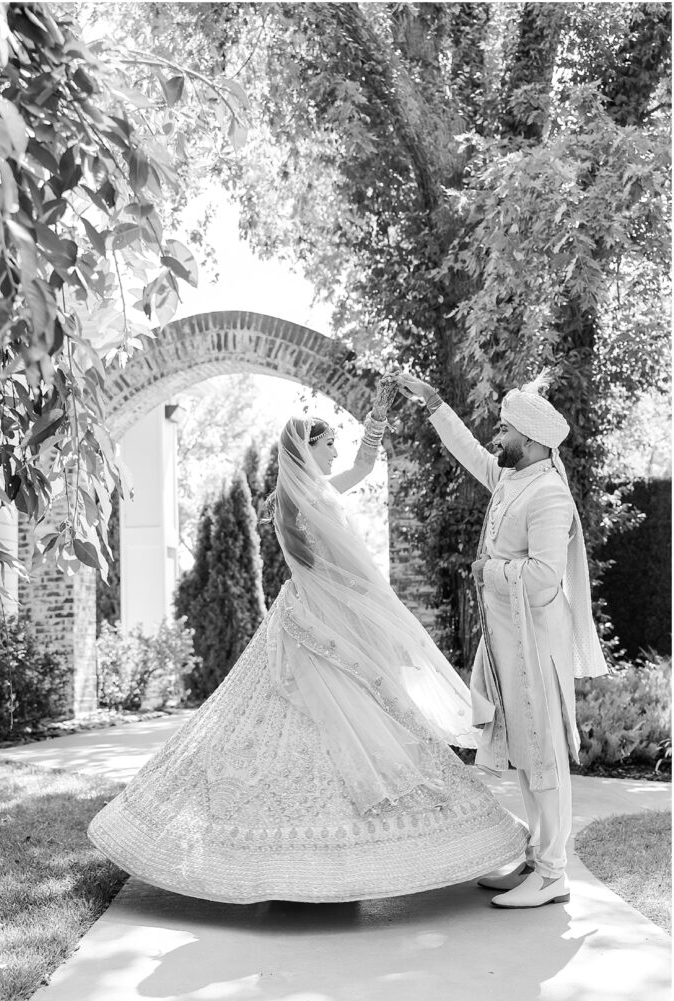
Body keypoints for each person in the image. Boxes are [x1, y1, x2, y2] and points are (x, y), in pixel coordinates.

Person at [88, 378, 527, 903]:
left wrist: (377, 422)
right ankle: (293, 852)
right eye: (328, 444)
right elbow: (330, 564)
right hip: (321, 615)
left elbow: (363, 469)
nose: (335, 451)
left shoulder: (310, 492)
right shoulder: (294, 500)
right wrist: (376, 605)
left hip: (325, 610)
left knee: (358, 716)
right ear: (306, 447)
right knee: (316, 723)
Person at [395, 369, 608, 909]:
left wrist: (488, 569)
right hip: (508, 644)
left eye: (505, 431)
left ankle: (556, 872)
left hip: (536, 646)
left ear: (532, 440)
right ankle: (538, 859)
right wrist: (434, 401)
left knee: (545, 754)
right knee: (522, 751)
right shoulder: (514, 478)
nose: (497, 437)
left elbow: (541, 579)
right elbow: (468, 449)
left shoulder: (549, 495)